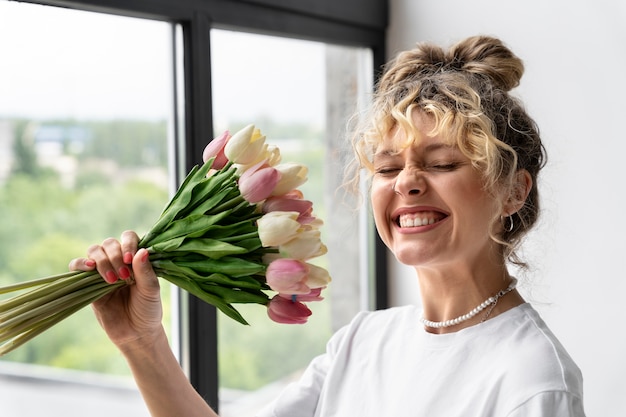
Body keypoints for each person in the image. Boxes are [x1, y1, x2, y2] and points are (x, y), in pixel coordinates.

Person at [70, 35, 585, 416]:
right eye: (386, 168)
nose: (406, 182)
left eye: (443, 163)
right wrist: (142, 342)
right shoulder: (363, 342)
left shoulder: (533, 383)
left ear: (514, 190)